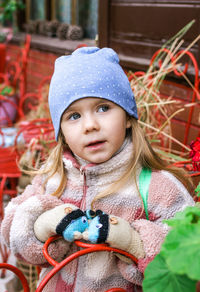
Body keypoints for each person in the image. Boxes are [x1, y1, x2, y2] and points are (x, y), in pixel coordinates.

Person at [1, 47, 194, 292]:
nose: (90, 125)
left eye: (103, 108)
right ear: (62, 134)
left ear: (127, 117)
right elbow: (16, 241)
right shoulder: (52, 179)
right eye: (73, 116)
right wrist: (42, 225)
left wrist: (133, 242)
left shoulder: (158, 188)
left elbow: (187, 262)